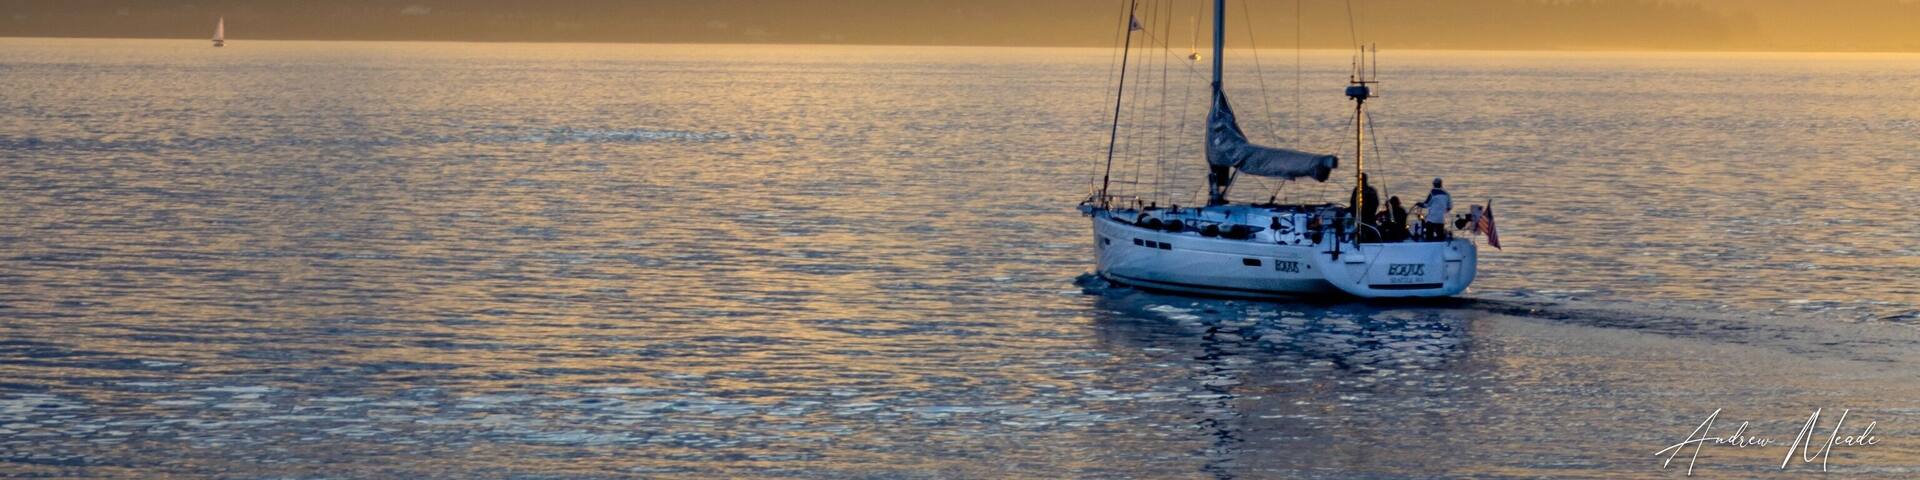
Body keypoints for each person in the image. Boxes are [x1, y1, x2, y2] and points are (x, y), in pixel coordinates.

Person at [1350, 173, 1380, 242]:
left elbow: (1352, 203)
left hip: (1365, 217)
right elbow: (1376, 203)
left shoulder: (1359, 190)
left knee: (1366, 229)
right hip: (1368, 216)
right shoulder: (1371, 190)